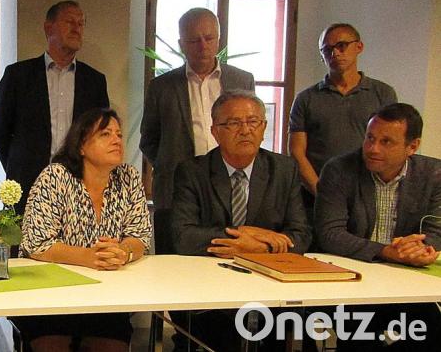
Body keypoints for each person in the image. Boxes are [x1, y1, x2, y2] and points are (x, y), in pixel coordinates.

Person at [169, 90, 311, 352]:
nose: (245, 130)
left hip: (269, 285)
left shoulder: (284, 169)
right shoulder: (192, 171)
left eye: (253, 121)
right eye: (234, 123)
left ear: (264, 127)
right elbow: (183, 237)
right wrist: (247, 235)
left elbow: (301, 235)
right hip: (209, 287)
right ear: (215, 132)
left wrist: (260, 247)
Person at [15, 108, 152, 352]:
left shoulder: (128, 177)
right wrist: (90, 257)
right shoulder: (55, 177)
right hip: (51, 295)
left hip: (106, 296)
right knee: (51, 346)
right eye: (105, 134)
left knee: (111, 347)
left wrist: (123, 252)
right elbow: (36, 244)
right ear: (80, 146)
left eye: (119, 134)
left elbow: (140, 236)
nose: (116, 140)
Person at [315, 103, 439, 351]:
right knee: (359, 339)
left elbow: (437, 231)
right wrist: (386, 252)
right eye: (370, 138)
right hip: (352, 281)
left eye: (386, 142)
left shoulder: (434, 174)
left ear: (412, 146)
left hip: (406, 282)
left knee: (434, 332)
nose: (373, 148)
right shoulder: (339, 169)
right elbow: (330, 234)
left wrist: (418, 250)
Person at [0, 0, 110, 214]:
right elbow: (0, 133)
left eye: (81, 23)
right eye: (69, 22)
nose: (76, 28)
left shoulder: (94, 81)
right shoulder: (18, 76)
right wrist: (19, 168)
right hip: (28, 185)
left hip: (79, 186)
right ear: (49, 28)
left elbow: (101, 134)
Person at [140, 7, 254, 209]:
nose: (203, 46)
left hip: (229, 188)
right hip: (175, 191)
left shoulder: (242, 80)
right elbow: (149, 139)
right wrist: (169, 165)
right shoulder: (161, 86)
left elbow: (251, 128)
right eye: (194, 40)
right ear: (181, 44)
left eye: (209, 38)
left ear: (218, 39)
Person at [289, 23, 397, 224]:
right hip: (314, 196)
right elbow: (296, 152)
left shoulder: (383, 94)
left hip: (367, 194)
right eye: (327, 49)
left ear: (359, 47)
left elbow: (391, 143)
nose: (335, 53)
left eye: (342, 46)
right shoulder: (306, 98)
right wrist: (322, 193)